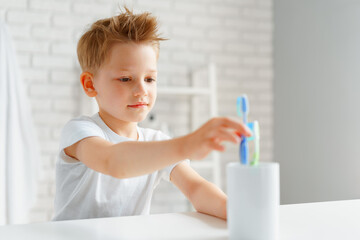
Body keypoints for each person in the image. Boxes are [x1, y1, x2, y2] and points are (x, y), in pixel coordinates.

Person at [52, 7, 252, 221]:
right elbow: (114, 162)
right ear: (90, 84)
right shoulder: (80, 131)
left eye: (149, 79)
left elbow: (196, 188)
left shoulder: (156, 142)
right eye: (126, 79)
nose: (142, 91)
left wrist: (237, 213)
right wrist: (188, 144)